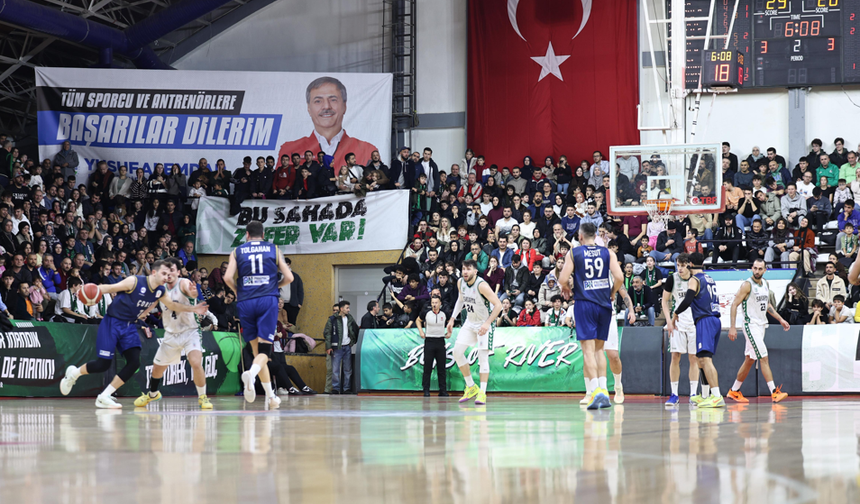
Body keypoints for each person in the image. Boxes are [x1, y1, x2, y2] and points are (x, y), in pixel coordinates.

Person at [59, 260, 208, 408]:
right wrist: (87, 291)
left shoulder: (160, 291)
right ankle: (74, 373)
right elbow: (110, 288)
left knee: (134, 362)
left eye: (168, 274)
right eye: (163, 273)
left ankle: (104, 395)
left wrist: (193, 309)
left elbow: (172, 305)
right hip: (112, 322)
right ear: (154, 272)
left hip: (129, 325)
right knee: (103, 364)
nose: (165, 277)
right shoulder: (134, 281)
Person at [559, 222, 633, 410]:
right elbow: (620, 278)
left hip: (585, 304)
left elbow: (561, 279)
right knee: (600, 350)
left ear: (581, 237)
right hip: (604, 305)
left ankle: (595, 392)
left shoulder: (574, 253)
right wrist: (613, 292)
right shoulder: (608, 253)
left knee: (588, 351)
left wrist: (566, 288)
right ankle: (602, 391)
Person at [223, 220, 294, 407]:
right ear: (263, 235)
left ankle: (271, 396)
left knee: (256, 352)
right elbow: (289, 277)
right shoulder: (273, 249)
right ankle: (252, 375)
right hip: (266, 300)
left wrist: (237, 291)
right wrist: (275, 286)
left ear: (247, 235)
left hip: (245, 301)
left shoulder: (237, 251)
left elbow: (227, 277)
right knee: (265, 351)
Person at [133, 258, 218, 410]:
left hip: (190, 331)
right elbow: (152, 303)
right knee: (157, 369)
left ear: (178, 272)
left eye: (172, 270)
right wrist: (140, 314)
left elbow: (191, 292)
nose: (169, 273)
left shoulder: (183, 283)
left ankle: (203, 397)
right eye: (166, 271)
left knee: (196, 362)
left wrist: (193, 293)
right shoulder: (160, 287)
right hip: (171, 334)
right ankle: (153, 394)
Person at [277, 77, 377, 171]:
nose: (326, 106)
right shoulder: (290, 149)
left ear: (344, 106)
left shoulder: (367, 150)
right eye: (318, 101)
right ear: (308, 108)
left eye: (333, 100)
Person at [726, 259, 792, 404]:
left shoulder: (766, 284)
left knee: (750, 360)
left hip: (762, 325)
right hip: (751, 325)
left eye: (760, 269)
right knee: (764, 357)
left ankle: (734, 391)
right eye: (755, 268)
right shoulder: (747, 285)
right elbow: (734, 305)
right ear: (752, 268)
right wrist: (732, 327)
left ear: (765, 270)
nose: (757, 271)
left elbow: (767, 305)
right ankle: (774, 392)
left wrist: (780, 319)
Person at [445, 259, 503, 406]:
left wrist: (487, 323)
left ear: (475, 271)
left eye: (468, 269)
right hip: (470, 322)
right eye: (464, 269)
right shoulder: (460, 283)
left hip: (484, 324)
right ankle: (471, 386)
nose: (465, 272)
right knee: (457, 353)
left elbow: (498, 306)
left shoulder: (481, 285)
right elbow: (460, 300)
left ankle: (482, 393)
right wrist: (452, 319)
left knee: (482, 358)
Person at [672, 253, 724, 408]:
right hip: (714, 319)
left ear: (689, 264)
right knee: (702, 359)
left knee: (705, 360)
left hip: (705, 320)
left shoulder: (694, 280)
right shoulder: (709, 278)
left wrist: (675, 313)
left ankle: (716, 396)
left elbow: (688, 299)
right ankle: (706, 395)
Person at [662, 254, 701, 405]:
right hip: (677, 323)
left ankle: (693, 394)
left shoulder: (695, 279)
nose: (680, 268)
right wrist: (668, 321)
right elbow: (665, 302)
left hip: (694, 324)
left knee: (693, 358)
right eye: (678, 265)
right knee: (675, 357)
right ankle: (674, 394)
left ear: (689, 265)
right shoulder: (673, 278)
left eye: (683, 265)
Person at [417, 295, 450, 397]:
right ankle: (426, 390)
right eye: (433, 303)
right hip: (429, 341)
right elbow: (418, 320)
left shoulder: (445, 313)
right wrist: (421, 331)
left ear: (440, 304)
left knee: (441, 368)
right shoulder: (426, 312)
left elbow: (450, 322)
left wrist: (449, 332)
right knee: (427, 367)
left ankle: (443, 390)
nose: (434, 305)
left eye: (436, 303)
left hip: (440, 341)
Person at [324, 300, 359, 394]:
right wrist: (328, 347)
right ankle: (336, 388)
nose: (349, 310)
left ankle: (346, 388)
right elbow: (327, 334)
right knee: (335, 370)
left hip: (347, 347)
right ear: (341, 309)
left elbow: (355, 329)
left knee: (347, 369)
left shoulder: (350, 318)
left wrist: (352, 341)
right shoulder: (332, 319)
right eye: (347, 308)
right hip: (336, 348)